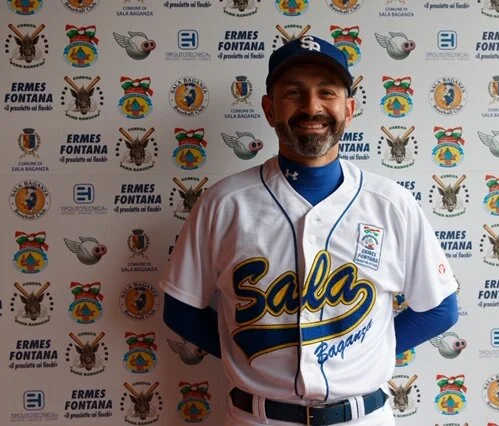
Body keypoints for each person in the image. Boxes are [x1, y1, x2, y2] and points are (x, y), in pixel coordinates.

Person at [160, 35, 459, 426]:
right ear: (269, 109)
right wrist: (254, 357)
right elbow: (181, 310)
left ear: (348, 109)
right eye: (293, 93)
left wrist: (361, 356)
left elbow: (439, 309)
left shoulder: (392, 204)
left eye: (327, 92)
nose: (312, 107)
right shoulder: (224, 203)